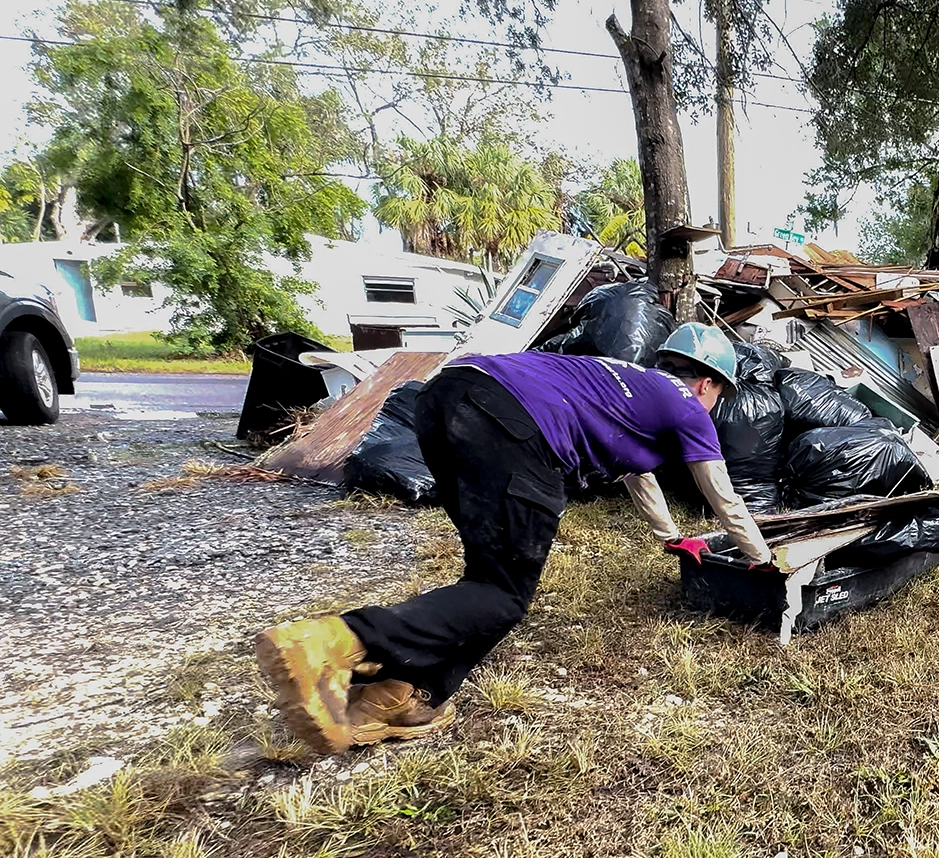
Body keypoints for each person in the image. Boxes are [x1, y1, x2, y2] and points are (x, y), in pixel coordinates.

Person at [254, 323, 774, 755]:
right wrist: (763, 558)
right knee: (503, 594)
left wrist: (671, 537)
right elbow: (722, 494)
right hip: (513, 427)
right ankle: (335, 641)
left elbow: (637, 474)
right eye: (718, 396)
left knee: (489, 583)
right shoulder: (686, 404)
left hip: (444, 398)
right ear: (707, 383)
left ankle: (399, 696)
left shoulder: (627, 385)